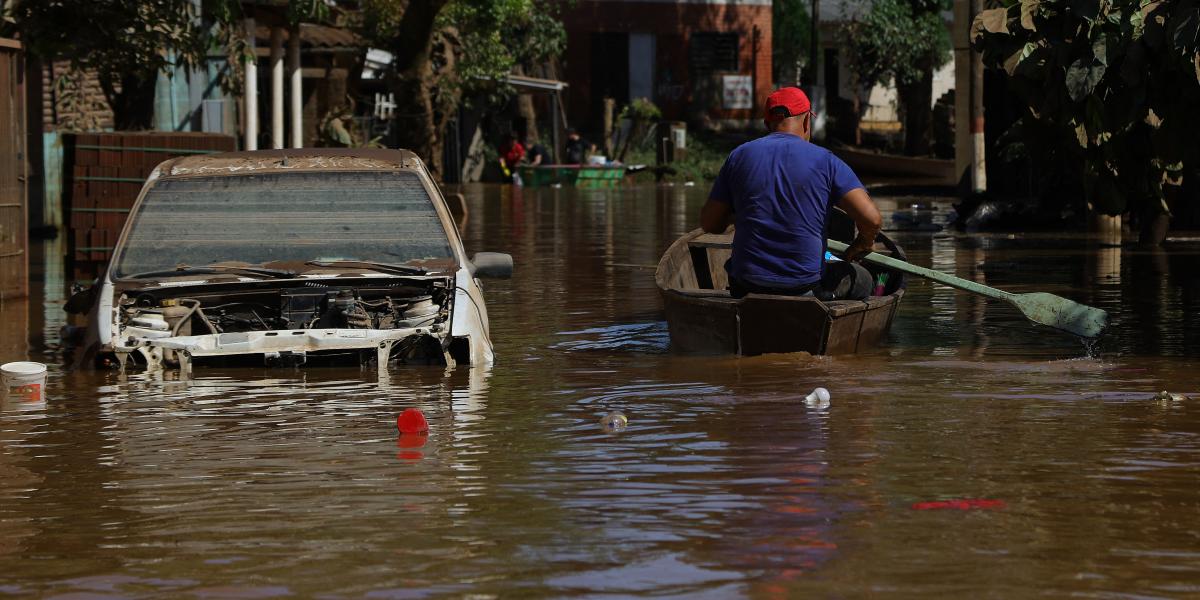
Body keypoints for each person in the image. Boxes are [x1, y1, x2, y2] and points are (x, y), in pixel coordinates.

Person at [700, 86, 882, 299]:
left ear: (767, 124)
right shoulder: (826, 161)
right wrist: (864, 242)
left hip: (747, 284)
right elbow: (872, 220)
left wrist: (739, 215)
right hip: (803, 286)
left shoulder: (738, 156)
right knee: (864, 279)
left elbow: (710, 224)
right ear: (807, 122)